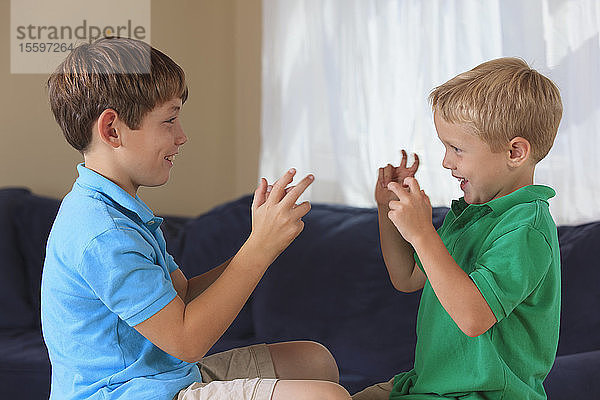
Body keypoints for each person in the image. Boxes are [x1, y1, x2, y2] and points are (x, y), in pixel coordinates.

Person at [41, 37, 351, 400]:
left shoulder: (121, 210)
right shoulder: (102, 232)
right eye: (169, 120)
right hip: (128, 393)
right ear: (112, 130)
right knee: (327, 398)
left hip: (163, 377)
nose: (182, 136)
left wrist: (261, 240)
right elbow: (187, 342)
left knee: (315, 361)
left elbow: (182, 296)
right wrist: (259, 250)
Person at [353, 58, 563, 399]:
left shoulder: (525, 228)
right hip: (429, 386)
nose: (446, 161)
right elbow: (406, 277)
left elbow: (473, 317)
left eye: (457, 149)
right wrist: (386, 208)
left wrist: (422, 233)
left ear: (515, 152)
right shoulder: (470, 214)